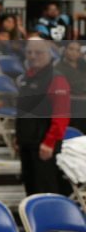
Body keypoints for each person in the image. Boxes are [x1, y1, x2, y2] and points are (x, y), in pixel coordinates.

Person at [16, 38, 71, 195]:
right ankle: (30, 219)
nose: (33, 56)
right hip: (27, 142)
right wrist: (18, 138)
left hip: (44, 144)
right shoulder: (27, 77)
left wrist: (49, 142)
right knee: (30, 187)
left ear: (48, 53)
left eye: (38, 52)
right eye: (29, 52)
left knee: (45, 189)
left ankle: (48, 220)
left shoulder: (57, 78)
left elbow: (61, 115)